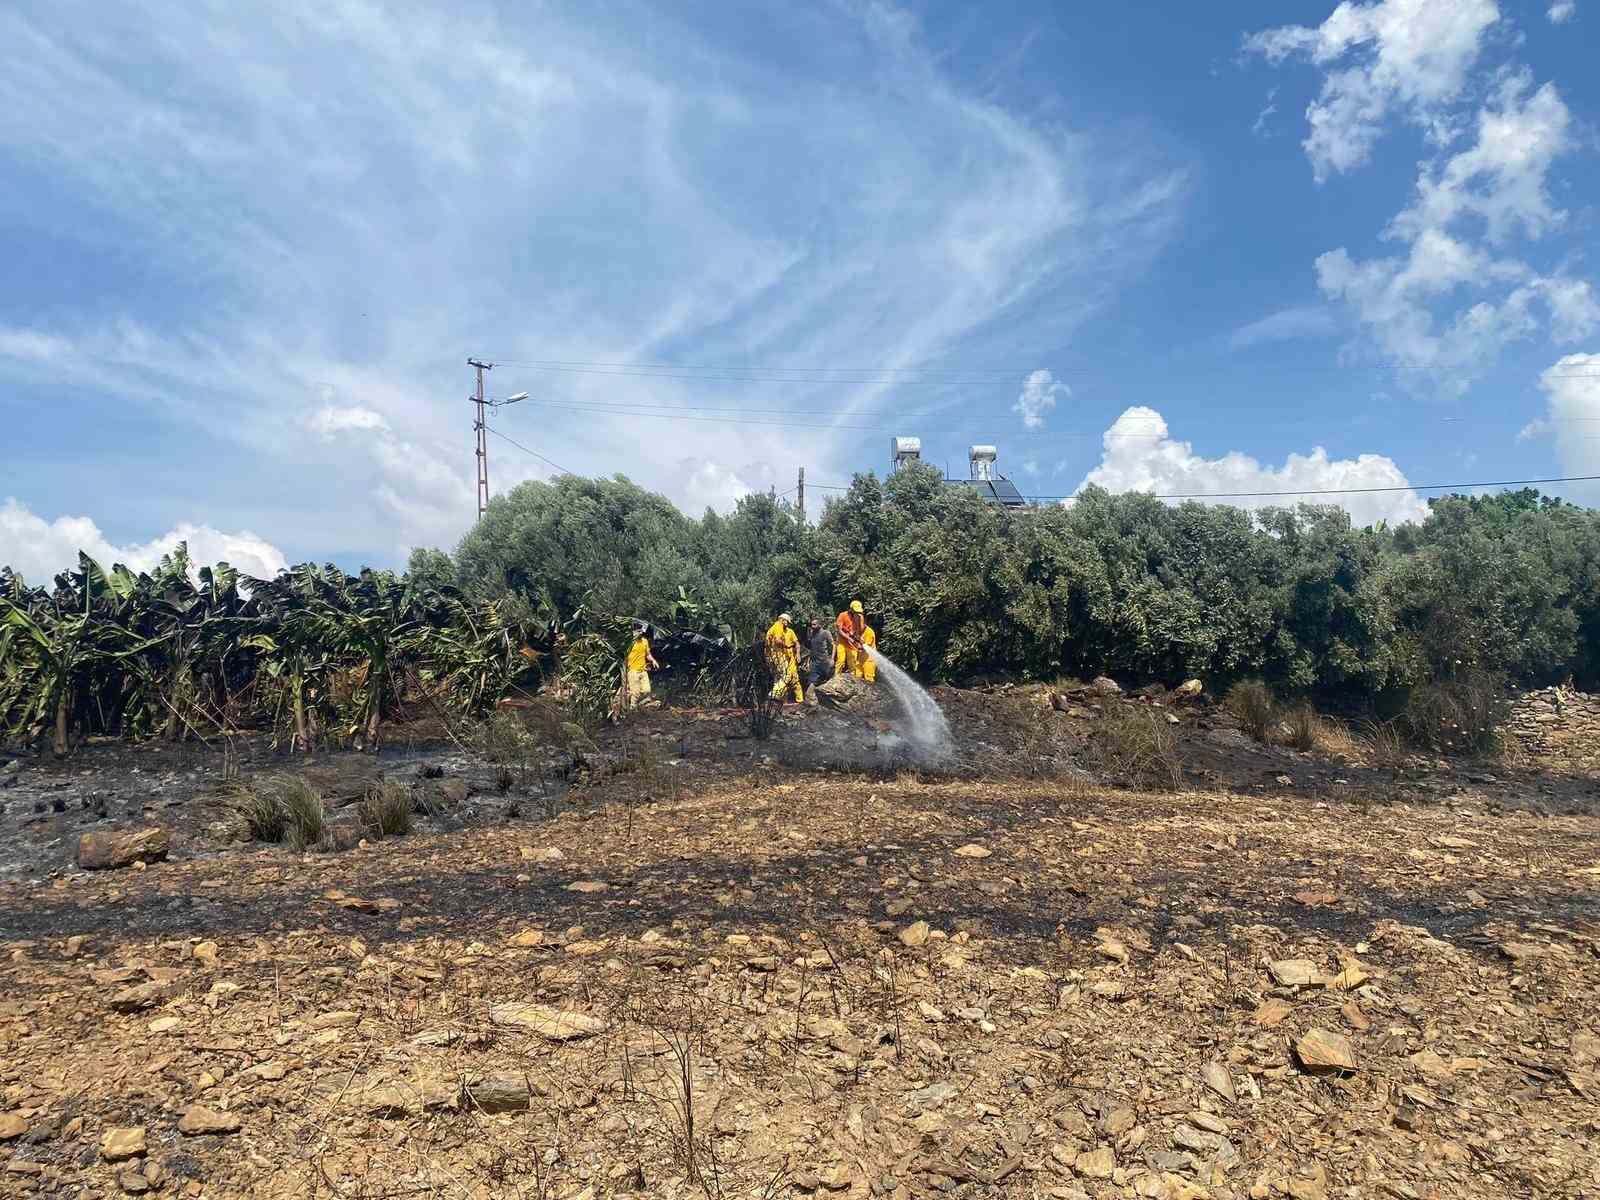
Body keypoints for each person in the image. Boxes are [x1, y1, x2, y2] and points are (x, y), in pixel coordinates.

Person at [764, 612, 804, 703]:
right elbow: (777, 641)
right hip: (779, 656)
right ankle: (775, 694)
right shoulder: (778, 626)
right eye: (787, 622)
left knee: (782, 678)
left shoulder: (789, 631)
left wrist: (797, 654)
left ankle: (796, 700)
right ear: (783, 620)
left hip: (784, 657)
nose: (788, 624)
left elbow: (797, 643)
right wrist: (786, 645)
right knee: (787, 676)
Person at [622, 622, 659, 710]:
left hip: (643, 670)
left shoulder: (644, 641)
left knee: (647, 690)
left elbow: (647, 654)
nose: (640, 633)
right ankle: (632, 709)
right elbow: (623, 656)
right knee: (635, 693)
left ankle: (638, 705)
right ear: (633, 632)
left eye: (641, 631)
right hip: (632, 670)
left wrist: (653, 660)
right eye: (638, 631)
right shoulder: (629, 643)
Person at [806, 617, 833, 703]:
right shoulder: (812, 634)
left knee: (827, 679)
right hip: (814, 662)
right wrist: (808, 661)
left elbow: (833, 645)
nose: (812, 626)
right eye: (811, 625)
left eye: (814, 624)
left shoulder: (826, 633)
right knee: (812, 681)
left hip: (824, 661)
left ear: (820, 625)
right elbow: (811, 649)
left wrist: (832, 659)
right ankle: (811, 700)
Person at [835, 600, 865, 679]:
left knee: (852, 664)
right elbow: (839, 630)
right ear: (851, 610)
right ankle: (836, 678)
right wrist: (849, 638)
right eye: (855, 612)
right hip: (841, 642)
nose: (857, 613)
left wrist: (859, 639)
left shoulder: (860, 618)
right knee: (841, 661)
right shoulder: (843, 615)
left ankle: (852, 680)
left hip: (852, 645)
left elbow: (860, 631)